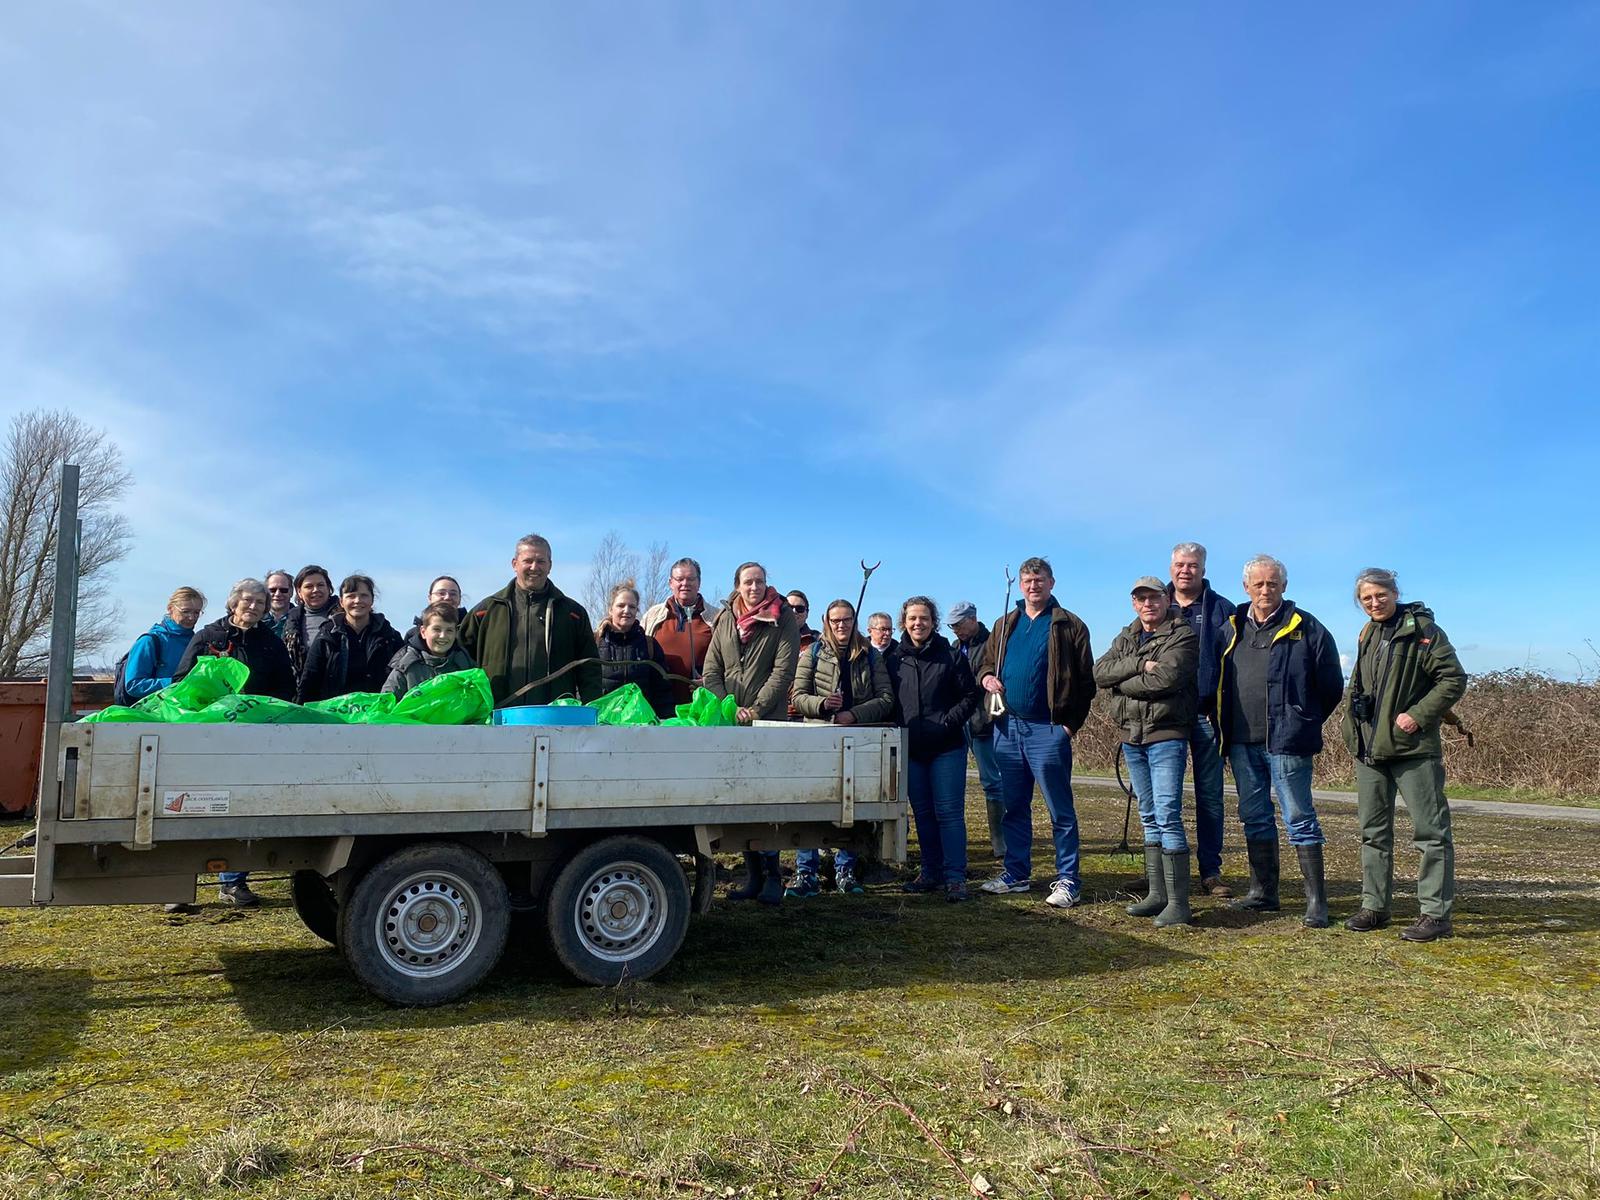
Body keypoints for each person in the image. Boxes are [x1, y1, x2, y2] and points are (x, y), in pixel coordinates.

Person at [1217, 554, 1345, 928]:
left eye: (1272, 583)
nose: (1265, 590)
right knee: (1254, 817)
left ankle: (1316, 903)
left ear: (1284, 586)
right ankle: (1263, 893)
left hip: (1288, 742)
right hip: (1241, 741)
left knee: (1299, 818)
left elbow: (1331, 684)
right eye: (1258, 584)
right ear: (1246, 588)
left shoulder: (1307, 626)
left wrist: (1303, 718)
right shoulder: (1231, 626)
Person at [1341, 568, 1467, 942]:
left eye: (1381, 595)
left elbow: (1453, 679)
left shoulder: (1423, 632)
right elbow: (1357, 686)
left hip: (1413, 751)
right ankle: (1375, 906)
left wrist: (1418, 715)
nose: (1375, 602)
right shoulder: (1367, 633)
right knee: (1373, 833)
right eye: (1367, 598)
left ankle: (1436, 915)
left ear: (1395, 593)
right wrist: (1351, 729)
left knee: (1431, 833)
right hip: (1369, 751)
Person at [974, 557, 1095, 908]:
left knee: (1060, 809)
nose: (1032, 586)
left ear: (1052, 583)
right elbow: (984, 663)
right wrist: (986, 678)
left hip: (1049, 729)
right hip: (1007, 727)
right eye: (1027, 580)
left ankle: (1068, 879)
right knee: (1014, 806)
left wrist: (1068, 727)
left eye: (1039, 580)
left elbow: (1087, 682)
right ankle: (1016, 874)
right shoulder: (1005, 623)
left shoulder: (1069, 625)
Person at [172, 577, 296, 908]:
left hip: (253, 740)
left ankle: (233, 882)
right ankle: (177, 886)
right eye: (247, 601)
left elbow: (285, 692)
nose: (253, 607)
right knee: (190, 808)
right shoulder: (208, 637)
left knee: (242, 808)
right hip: (207, 738)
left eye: (260, 603)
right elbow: (181, 683)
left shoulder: (271, 643)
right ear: (233, 603)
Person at [1094, 577, 1199, 927]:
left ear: (1166, 599)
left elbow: (1166, 680)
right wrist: (1140, 665)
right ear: (1134, 603)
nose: (1147, 604)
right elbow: (1099, 672)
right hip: (1131, 736)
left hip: (1166, 734)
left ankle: (1180, 904)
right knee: (1147, 812)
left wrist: (1123, 679)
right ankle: (1157, 894)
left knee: (1168, 812)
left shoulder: (1182, 635)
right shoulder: (1126, 635)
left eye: (1154, 597)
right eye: (1140, 599)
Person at [703, 562, 801, 905]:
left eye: (759, 581)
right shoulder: (726, 617)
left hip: (766, 721)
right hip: (730, 724)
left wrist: (756, 709)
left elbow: (784, 669)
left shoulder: (781, 616)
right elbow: (711, 668)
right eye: (748, 582)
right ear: (737, 585)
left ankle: (774, 875)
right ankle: (753, 876)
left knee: (767, 800)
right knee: (739, 801)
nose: (754, 587)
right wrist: (727, 707)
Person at [787, 598, 895, 897]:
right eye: (835, 620)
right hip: (819, 738)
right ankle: (806, 871)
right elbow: (797, 696)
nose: (841, 625)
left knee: (851, 806)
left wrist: (854, 714)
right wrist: (822, 705)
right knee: (811, 803)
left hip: (857, 740)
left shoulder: (870, 655)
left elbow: (886, 699)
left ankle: (845, 868)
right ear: (826, 621)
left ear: (854, 621)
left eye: (846, 619)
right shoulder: (813, 653)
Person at [895, 597, 981, 901]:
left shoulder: (951, 655)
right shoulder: (895, 658)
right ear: (903, 622)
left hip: (947, 748)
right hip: (912, 750)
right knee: (923, 814)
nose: (918, 623)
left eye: (925, 618)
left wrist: (947, 723)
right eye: (913, 618)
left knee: (949, 813)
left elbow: (970, 696)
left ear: (934, 622)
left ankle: (955, 876)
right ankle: (930, 872)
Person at [1166, 542, 1237, 898]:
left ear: (1203, 569)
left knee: (1209, 797)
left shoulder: (1223, 609)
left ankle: (1210, 871)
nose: (1185, 570)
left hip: (1207, 716)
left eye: (1192, 565)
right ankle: (1165, 872)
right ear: (1171, 568)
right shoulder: (1153, 605)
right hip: (1164, 719)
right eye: (1180, 564)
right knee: (1167, 798)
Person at [459, 534, 601, 707]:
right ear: (514, 564)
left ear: (550, 566)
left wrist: (593, 711)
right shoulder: (485, 612)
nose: (534, 567)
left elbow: (589, 669)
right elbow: (459, 662)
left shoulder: (573, 614)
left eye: (541, 561)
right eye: (528, 561)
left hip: (555, 719)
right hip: (497, 719)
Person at [949, 600, 1005, 861]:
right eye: (952, 626)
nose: (956, 629)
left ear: (973, 619)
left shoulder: (993, 643)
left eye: (959, 624)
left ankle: (1000, 841)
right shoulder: (953, 647)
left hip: (985, 721)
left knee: (992, 781)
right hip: (960, 723)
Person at [297, 574, 405, 702]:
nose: (357, 600)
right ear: (342, 602)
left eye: (364, 595)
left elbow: (402, 676)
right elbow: (310, 679)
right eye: (351, 596)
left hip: (378, 713)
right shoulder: (327, 635)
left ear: (372, 600)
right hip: (335, 714)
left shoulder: (389, 636)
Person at [643, 558, 719, 707]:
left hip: (701, 707)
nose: (685, 584)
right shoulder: (653, 615)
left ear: (699, 582)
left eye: (691, 579)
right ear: (671, 583)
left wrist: (711, 683)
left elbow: (729, 662)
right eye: (680, 579)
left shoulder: (716, 617)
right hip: (657, 706)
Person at [595, 581, 673, 719]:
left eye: (632, 607)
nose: (627, 611)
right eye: (621, 605)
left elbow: (662, 690)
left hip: (642, 725)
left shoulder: (649, 645)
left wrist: (664, 722)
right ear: (610, 609)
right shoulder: (594, 642)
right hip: (602, 724)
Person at [121, 587, 206, 701]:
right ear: (170, 609)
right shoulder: (149, 642)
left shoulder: (198, 642)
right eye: (185, 611)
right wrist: (175, 683)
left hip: (188, 710)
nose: (192, 617)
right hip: (154, 713)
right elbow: (134, 685)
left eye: (196, 612)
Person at [383, 601, 476, 697]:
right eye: (437, 629)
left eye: (449, 630)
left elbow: (480, 702)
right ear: (423, 632)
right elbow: (385, 704)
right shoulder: (406, 666)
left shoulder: (466, 664)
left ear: (456, 633)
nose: (443, 636)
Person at [282, 564, 340, 677]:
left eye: (320, 585)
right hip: (303, 688)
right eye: (309, 586)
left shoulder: (344, 616)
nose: (315, 590)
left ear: (329, 588)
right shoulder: (291, 622)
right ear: (299, 592)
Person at [262, 571, 294, 639]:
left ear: (291, 592)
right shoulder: (255, 620)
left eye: (283, 590)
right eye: (272, 590)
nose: (278, 594)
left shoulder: (302, 619)